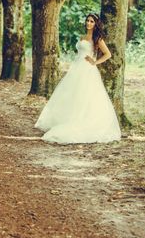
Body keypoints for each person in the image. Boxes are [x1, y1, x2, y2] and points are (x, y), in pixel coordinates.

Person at [34, 13, 121, 144]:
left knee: (86, 95)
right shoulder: (82, 37)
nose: (89, 23)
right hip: (76, 68)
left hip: (87, 70)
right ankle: (68, 119)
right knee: (72, 94)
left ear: (96, 24)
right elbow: (80, 53)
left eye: (92, 21)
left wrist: (95, 62)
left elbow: (108, 54)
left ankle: (84, 122)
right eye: (87, 21)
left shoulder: (97, 39)